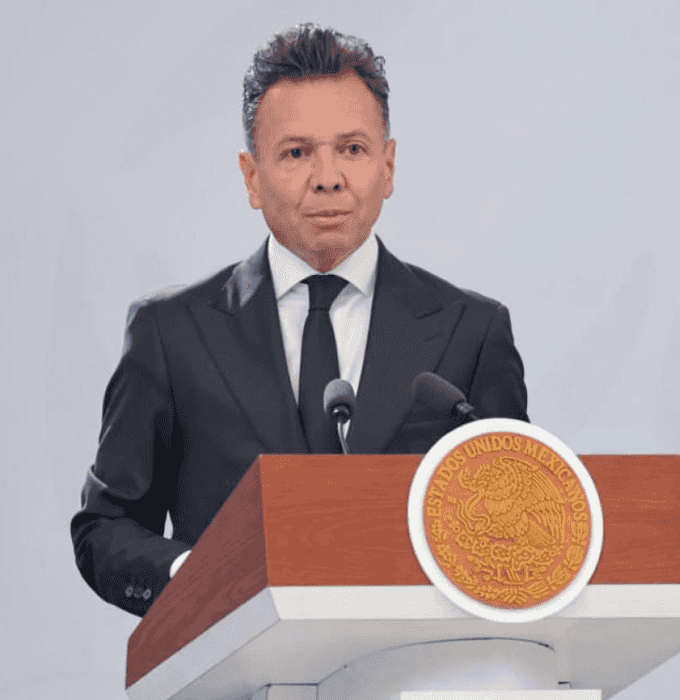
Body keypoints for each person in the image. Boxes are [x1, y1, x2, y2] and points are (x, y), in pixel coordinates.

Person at [70, 23, 528, 617]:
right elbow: (105, 529)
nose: (329, 176)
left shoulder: (473, 330)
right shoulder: (170, 333)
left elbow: (521, 523)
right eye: (296, 152)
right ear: (251, 177)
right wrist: (199, 578)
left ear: (387, 167)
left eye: (353, 148)